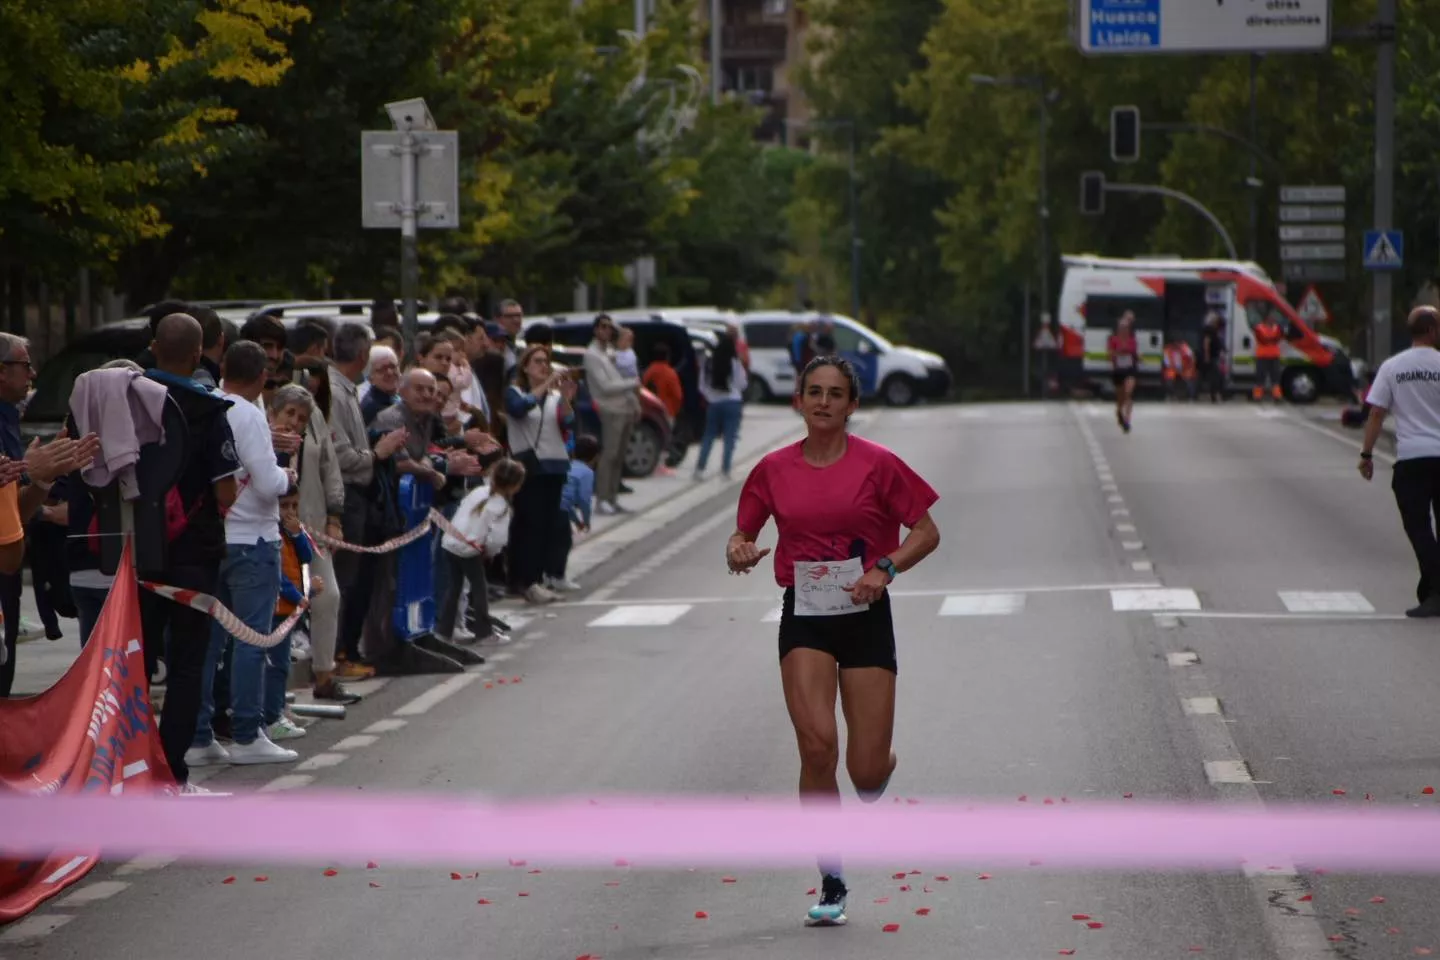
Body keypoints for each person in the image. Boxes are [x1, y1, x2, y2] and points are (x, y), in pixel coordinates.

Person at [724, 355, 940, 928]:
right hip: (806, 616)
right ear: (798, 400)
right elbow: (742, 533)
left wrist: (885, 569)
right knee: (817, 747)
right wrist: (739, 550)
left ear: (852, 405)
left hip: (866, 613)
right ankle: (832, 875)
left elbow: (926, 531)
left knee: (864, 772)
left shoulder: (879, 464)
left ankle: (881, 764)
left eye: (835, 394)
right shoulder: (772, 469)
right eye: (813, 392)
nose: (823, 402)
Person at [138, 315, 241, 789]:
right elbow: (225, 495)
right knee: (186, 665)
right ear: (200, 355)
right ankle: (170, 772)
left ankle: (127, 765)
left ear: (153, 346)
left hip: (134, 548)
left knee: (134, 661)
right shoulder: (207, 409)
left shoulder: (128, 399)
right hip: (193, 554)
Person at [191, 340, 298, 766]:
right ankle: (248, 734)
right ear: (261, 378)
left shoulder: (205, 405)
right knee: (252, 638)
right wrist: (287, 475)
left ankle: (199, 737)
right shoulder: (249, 413)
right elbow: (268, 482)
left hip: (212, 538)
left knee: (209, 643)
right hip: (252, 539)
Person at [1359, 305, 1440, 617]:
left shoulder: (1393, 367)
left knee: (1419, 527)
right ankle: (1432, 590)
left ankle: (1434, 590)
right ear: (1432, 330)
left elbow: (1376, 413)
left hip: (1412, 459)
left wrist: (1366, 455)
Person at [506, 345, 574, 604]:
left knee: (547, 525)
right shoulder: (515, 391)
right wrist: (545, 385)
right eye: (537, 362)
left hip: (554, 465)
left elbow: (567, 423)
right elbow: (519, 408)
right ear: (525, 366)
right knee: (528, 524)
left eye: (546, 362)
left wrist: (566, 397)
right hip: (530, 467)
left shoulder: (554, 396)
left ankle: (537, 578)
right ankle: (524, 580)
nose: (544, 366)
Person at [437, 458, 525, 644]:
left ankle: (444, 631)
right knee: (479, 589)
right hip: (470, 550)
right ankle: (484, 633)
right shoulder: (501, 507)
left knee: (453, 588)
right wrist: (490, 553)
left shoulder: (478, 492)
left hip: (450, 543)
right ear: (514, 485)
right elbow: (497, 540)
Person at [265, 483, 323, 739]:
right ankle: (271, 716)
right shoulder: (270, 534)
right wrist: (300, 597)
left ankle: (278, 710)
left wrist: (298, 534)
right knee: (275, 665)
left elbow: (306, 557)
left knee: (281, 665)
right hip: (278, 608)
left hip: (290, 609)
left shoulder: (291, 532)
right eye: (284, 506)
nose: (290, 512)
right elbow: (278, 576)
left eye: (294, 506)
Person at [583, 315, 640, 516]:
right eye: (604, 327)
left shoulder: (609, 351)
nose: (607, 331)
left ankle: (612, 496)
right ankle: (603, 498)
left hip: (624, 407)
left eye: (610, 328)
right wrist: (633, 383)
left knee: (619, 456)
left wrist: (634, 402)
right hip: (610, 409)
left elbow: (619, 378)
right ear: (596, 329)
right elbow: (605, 386)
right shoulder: (592, 355)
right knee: (610, 454)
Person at [546, 433, 598, 594]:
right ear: (595, 457)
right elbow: (583, 500)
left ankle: (548, 575)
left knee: (551, 542)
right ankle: (558, 577)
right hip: (560, 508)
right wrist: (586, 520)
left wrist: (575, 521)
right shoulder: (586, 472)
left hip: (550, 505)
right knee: (564, 543)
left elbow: (566, 501)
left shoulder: (568, 465)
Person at [694, 332, 749, 482]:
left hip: (714, 403)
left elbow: (701, 386)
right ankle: (725, 470)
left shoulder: (709, 363)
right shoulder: (734, 363)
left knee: (709, 435)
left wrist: (711, 396)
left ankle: (700, 469)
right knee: (729, 438)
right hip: (733, 402)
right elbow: (742, 384)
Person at [1107, 312, 1139, 433]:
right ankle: (1119, 412)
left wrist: (1136, 357)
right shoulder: (1113, 340)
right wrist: (1119, 352)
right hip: (1118, 370)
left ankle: (1127, 420)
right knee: (1120, 397)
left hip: (1130, 369)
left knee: (1128, 393)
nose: (1124, 330)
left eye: (1126, 328)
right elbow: (1110, 354)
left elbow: (1134, 353)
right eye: (1122, 328)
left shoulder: (1132, 340)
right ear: (1118, 329)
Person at [1251, 308, 1285, 403]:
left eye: (1273, 318)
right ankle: (1257, 396)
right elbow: (1262, 339)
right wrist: (1271, 339)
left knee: (1275, 377)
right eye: (1270, 317)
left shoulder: (1277, 328)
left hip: (1274, 356)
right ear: (1266, 319)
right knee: (1260, 377)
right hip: (1262, 356)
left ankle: (1277, 396)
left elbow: (1278, 338)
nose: (1272, 319)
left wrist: (1270, 339)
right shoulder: (1259, 328)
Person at [1199, 313, 1227, 404]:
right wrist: (1207, 356)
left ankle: (1215, 395)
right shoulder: (1209, 330)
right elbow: (1206, 342)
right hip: (1212, 357)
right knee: (1214, 377)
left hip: (1215, 356)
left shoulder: (1214, 330)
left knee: (1216, 376)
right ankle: (1213, 396)